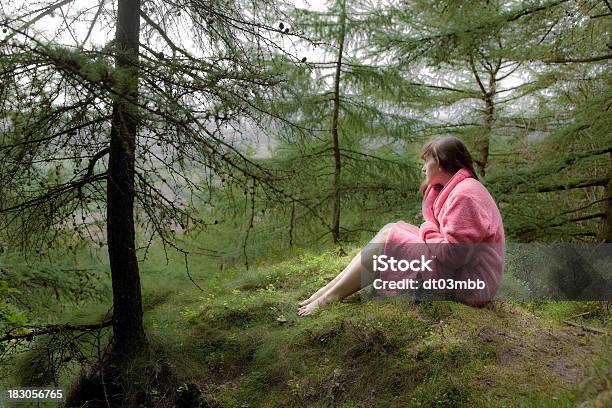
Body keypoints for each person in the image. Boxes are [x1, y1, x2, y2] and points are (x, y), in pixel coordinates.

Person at [297, 136, 505, 316]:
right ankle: (326, 292)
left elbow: (454, 255)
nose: (424, 167)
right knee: (390, 229)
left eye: (427, 161)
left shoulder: (465, 195)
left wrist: (427, 229)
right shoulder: (459, 188)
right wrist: (429, 230)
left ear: (441, 163)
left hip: (471, 284)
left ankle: (330, 298)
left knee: (392, 237)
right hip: (463, 273)